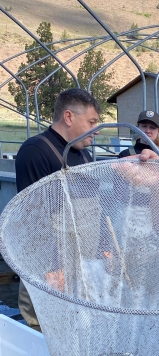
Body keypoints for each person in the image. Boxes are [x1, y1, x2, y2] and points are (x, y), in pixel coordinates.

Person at [15, 88, 101, 329]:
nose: (96, 130)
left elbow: (96, 207)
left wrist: (104, 247)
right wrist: (52, 268)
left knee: (78, 326)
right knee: (44, 325)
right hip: (50, 269)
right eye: (92, 122)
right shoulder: (36, 151)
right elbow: (32, 217)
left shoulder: (83, 155)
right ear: (69, 117)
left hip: (81, 266)